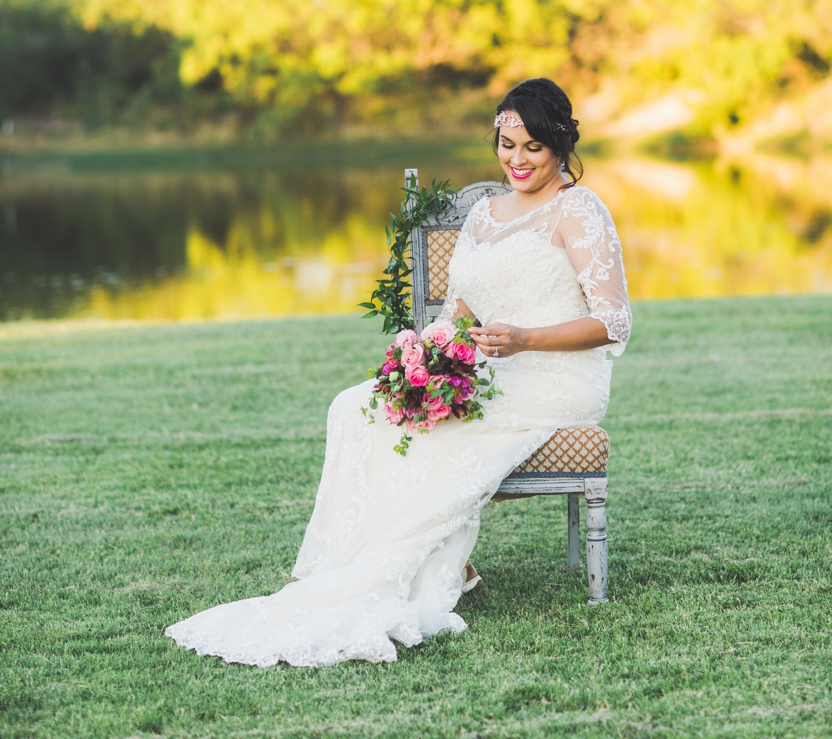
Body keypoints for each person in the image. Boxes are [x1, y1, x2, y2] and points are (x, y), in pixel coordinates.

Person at [165, 77, 631, 668]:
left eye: (532, 148)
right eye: (506, 144)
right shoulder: (485, 215)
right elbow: (459, 312)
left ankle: (420, 565)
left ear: (561, 145)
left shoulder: (578, 209)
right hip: (490, 366)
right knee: (358, 406)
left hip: (554, 376)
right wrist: (423, 360)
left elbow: (613, 320)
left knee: (436, 426)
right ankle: (355, 565)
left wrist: (524, 340)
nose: (516, 160)